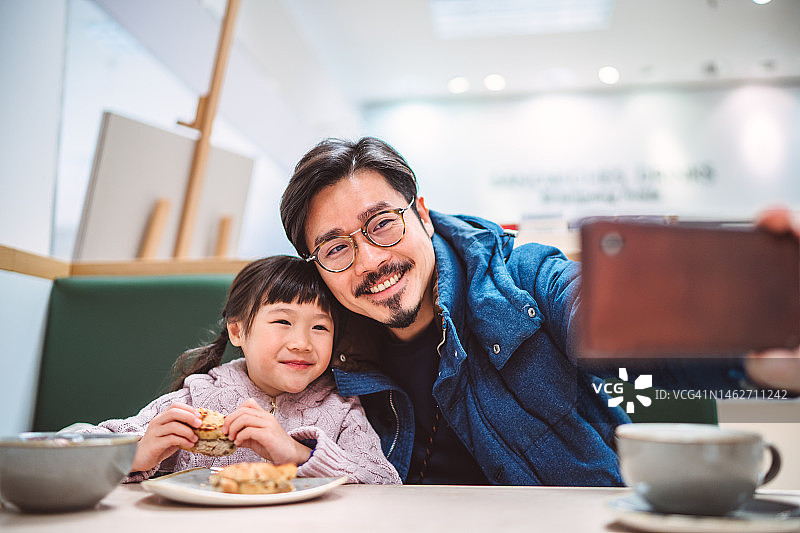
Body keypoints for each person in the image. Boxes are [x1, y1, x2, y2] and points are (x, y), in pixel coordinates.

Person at [279, 136, 800, 486]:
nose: (371, 260)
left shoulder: (523, 279)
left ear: (422, 215)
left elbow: (612, 325)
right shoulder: (324, 344)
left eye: (382, 224)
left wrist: (756, 350)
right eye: (336, 248)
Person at [72, 255, 401, 485]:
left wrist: (296, 453)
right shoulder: (198, 397)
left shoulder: (340, 407)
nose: (302, 343)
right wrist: (133, 455)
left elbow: (385, 483)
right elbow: (64, 449)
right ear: (237, 330)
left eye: (320, 328)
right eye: (283, 321)